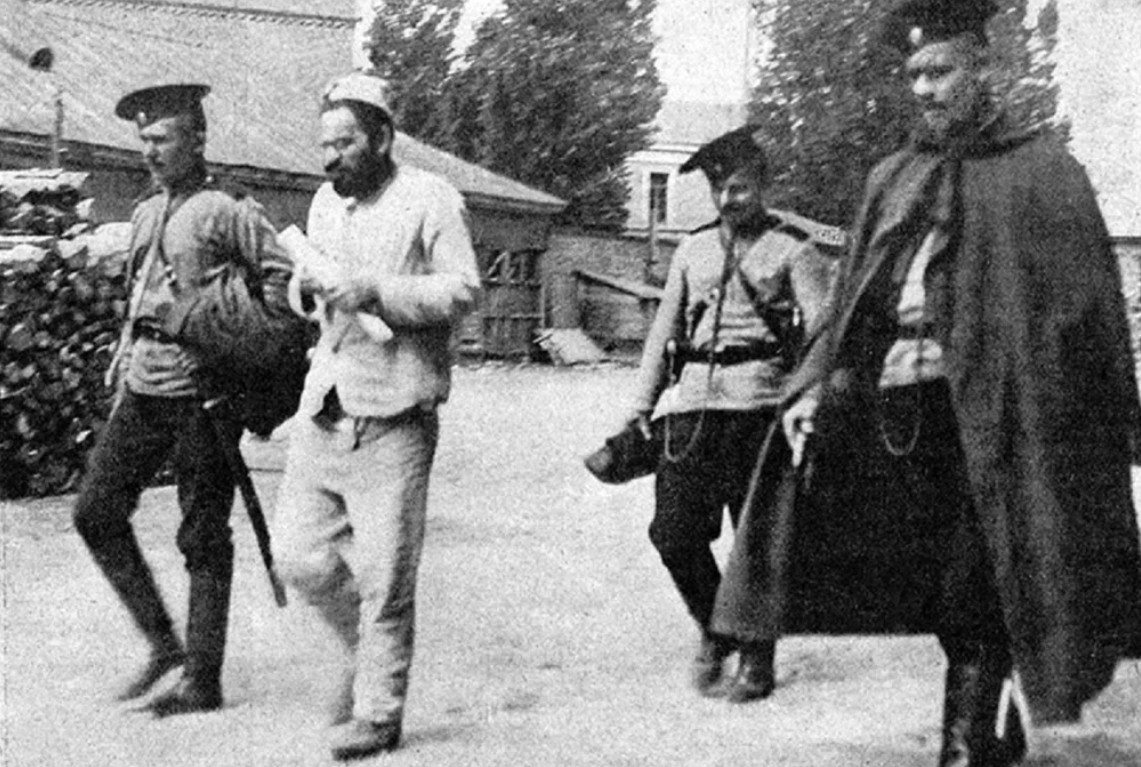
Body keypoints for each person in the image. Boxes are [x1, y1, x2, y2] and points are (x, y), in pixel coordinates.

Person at [774, 1, 1141, 764]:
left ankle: (964, 743)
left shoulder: (1043, 172)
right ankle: (992, 719)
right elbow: (849, 303)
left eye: (938, 71)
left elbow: (1090, 310)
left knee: (979, 577)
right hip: (904, 416)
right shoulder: (892, 178)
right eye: (913, 74)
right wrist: (813, 384)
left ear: (983, 68)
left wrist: (1099, 419)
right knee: (941, 583)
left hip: (1001, 417)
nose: (923, 88)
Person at [272, 71, 481, 760]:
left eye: (345, 144)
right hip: (325, 403)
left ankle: (378, 713)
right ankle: (365, 653)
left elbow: (463, 289)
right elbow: (312, 296)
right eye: (324, 145)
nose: (330, 158)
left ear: (383, 137)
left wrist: (378, 292)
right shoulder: (324, 204)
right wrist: (306, 286)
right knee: (296, 555)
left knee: (386, 578)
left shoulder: (431, 198)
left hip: (396, 410)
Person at [73, 83, 295, 717]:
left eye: (162, 138)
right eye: (143, 139)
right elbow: (138, 294)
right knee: (95, 511)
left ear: (197, 139)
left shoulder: (230, 210)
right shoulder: (146, 211)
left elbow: (284, 291)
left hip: (205, 394)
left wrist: (215, 325)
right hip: (146, 387)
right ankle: (163, 645)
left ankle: (202, 677)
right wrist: (125, 351)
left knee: (202, 535)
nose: (150, 151)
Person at [624, 126, 838, 703]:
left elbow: (823, 334)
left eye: (739, 188)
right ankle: (717, 629)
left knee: (757, 541)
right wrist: (642, 404)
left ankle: (758, 656)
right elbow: (664, 330)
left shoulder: (796, 249)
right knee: (673, 534)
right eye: (718, 189)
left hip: (761, 410)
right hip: (694, 408)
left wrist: (807, 400)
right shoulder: (691, 249)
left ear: (762, 186)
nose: (727, 199)